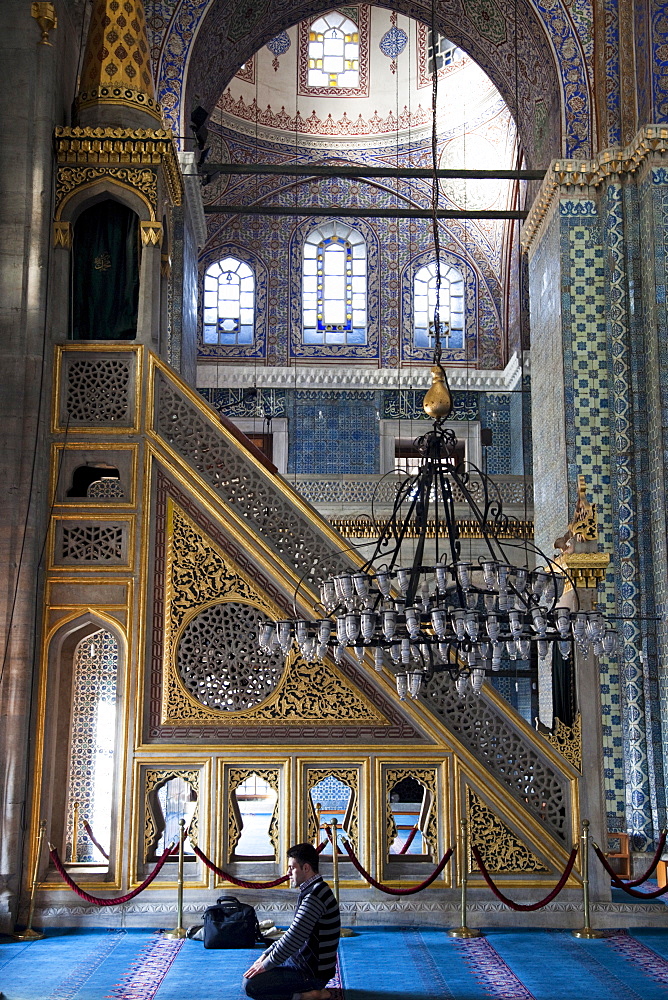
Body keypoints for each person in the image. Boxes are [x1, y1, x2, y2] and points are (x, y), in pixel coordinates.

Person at [243, 842, 341, 1000]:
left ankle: (309, 995)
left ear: (306, 868)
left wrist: (266, 964)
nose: (288, 873)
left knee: (251, 985)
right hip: (305, 964)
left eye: (292, 867)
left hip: (312, 973)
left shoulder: (314, 897)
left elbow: (293, 939)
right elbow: (293, 933)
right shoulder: (316, 889)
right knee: (258, 970)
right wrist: (265, 955)